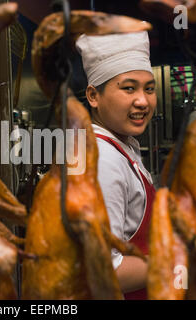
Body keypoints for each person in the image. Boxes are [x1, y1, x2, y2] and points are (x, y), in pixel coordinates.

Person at [76, 31, 157, 299]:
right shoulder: (102, 159)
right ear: (93, 96)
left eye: (149, 88)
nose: (143, 101)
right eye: (129, 88)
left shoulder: (120, 146)